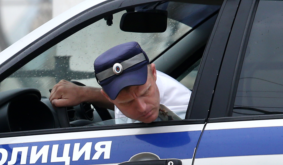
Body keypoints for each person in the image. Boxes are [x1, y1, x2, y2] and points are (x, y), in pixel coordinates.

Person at [49, 41, 190, 123]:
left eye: (146, 92)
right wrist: (85, 94)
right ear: (108, 97)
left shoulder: (185, 108)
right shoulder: (143, 85)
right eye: (127, 102)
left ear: (154, 73)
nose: (142, 108)